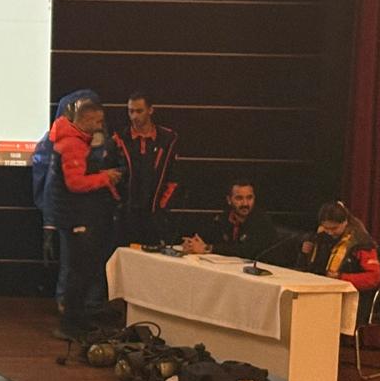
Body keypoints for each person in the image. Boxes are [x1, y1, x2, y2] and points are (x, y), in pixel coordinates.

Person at [42, 91, 123, 340]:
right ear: (86, 120)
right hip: (75, 218)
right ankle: (70, 325)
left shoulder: (73, 140)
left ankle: (78, 320)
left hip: (75, 217)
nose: (100, 127)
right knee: (78, 273)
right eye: (97, 122)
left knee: (81, 271)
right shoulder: (73, 145)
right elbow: (75, 184)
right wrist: (105, 178)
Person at [110, 90, 180, 247]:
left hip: (154, 214)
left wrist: (161, 206)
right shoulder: (119, 138)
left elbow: (174, 177)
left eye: (139, 111)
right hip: (126, 215)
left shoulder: (167, 139)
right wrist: (119, 203)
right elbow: (109, 174)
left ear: (150, 110)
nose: (134, 116)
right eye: (131, 111)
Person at [182, 178, 283, 260]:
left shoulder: (261, 221)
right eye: (239, 198)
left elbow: (247, 251)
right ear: (229, 200)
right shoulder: (223, 218)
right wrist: (192, 244)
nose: (245, 203)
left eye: (249, 198)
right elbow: (207, 237)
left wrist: (208, 248)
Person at [296, 201, 380, 290]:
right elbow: (307, 269)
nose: (330, 232)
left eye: (334, 228)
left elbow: (374, 277)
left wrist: (341, 277)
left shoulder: (361, 243)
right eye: (326, 228)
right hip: (320, 287)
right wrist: (304, 254)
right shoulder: (319, 237)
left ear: (345, 222)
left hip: (349, 292)